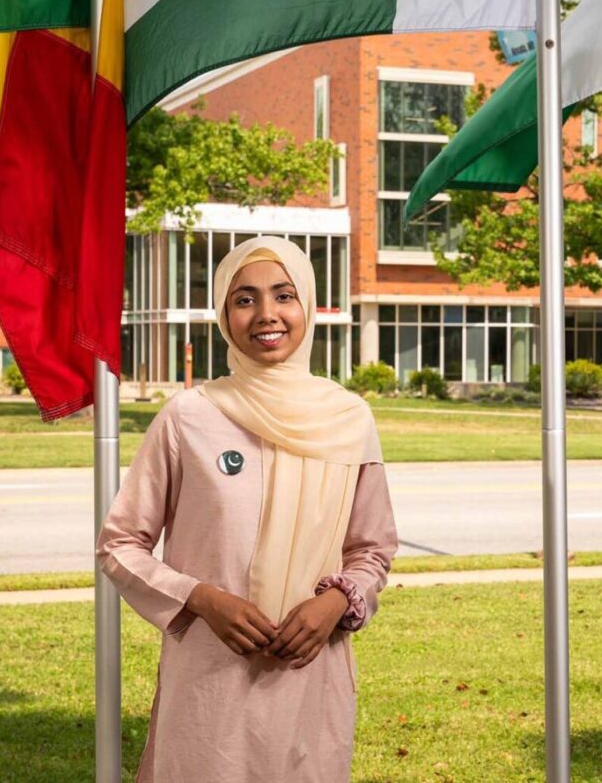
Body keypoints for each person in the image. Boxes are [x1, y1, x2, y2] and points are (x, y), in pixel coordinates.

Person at [97, 235, 398, 782]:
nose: (267, 314)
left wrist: (335, 603)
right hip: (212, 680)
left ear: (306, 303)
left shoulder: (349, 419)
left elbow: (372, 549)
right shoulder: (190, 416)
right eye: (244, 299)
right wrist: (202, 598)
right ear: (223, 313)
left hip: (310, 673)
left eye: (284, 295)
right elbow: (120, 544)